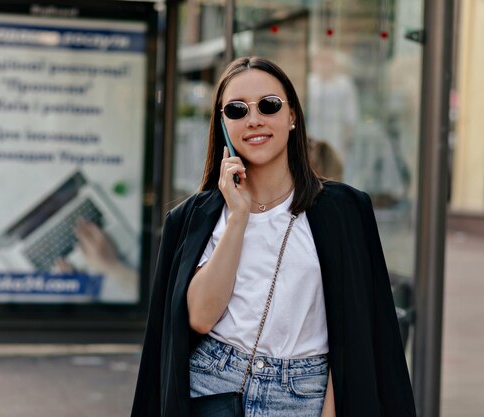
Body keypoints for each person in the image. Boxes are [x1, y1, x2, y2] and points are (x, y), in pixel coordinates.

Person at [131, 57, 415, 417]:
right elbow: (200, 318)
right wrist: (238, 217)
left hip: (302, 394)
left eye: (269, 105)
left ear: (292, 115)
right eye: (236, 110)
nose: (253, 119)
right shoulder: (195, 218)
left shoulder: (345, 211)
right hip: (214, 384)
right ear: (222, 124)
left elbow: (358, 332)